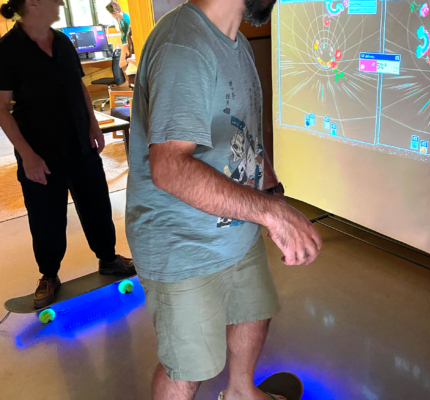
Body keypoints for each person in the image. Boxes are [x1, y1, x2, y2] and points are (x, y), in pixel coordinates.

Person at [126, 0, 322, 399]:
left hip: (236, 228)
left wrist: (271, 194)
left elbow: (243, 135)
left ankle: (240, 394)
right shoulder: (183, 46)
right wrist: (271, 213)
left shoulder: (236, 42)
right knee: (189, 367)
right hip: (183, 245)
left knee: (254, 313)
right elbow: (169, 168)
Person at [0, 0, 135, 309]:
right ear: (33, 4)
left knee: (96, 203)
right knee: (46, 215)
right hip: (40, 151)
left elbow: (79, 88)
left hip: (79, 143)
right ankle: (49, 275)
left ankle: (108, 258)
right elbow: (2, 109)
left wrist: (94, 126)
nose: (60, 2)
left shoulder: (61, 41)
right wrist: (27, 156)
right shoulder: (7, 49)